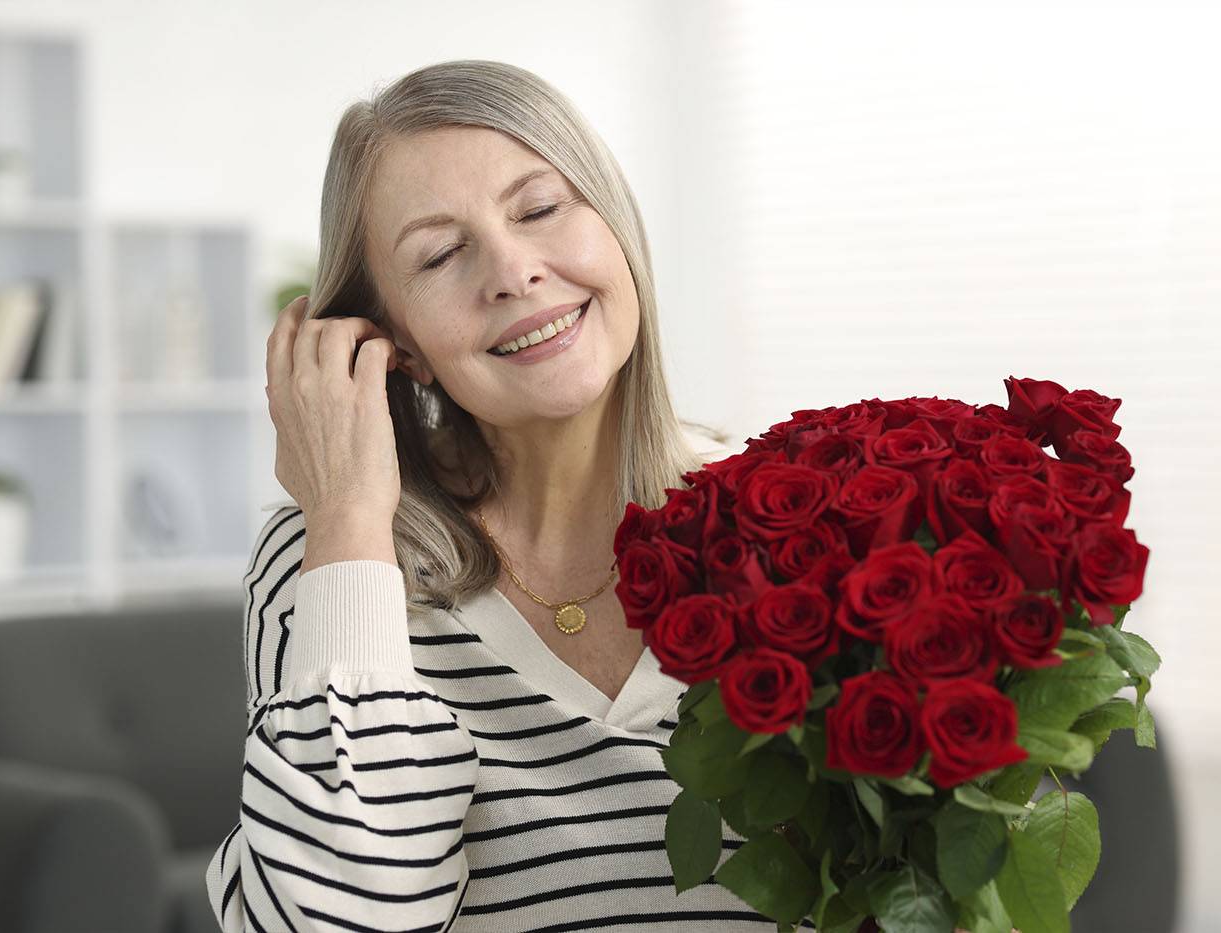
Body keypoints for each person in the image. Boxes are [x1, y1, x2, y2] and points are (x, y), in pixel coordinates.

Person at [202, 58, 829, 932]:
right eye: (439, 254)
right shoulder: (327, 558)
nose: (512, 270)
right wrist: (347, 516)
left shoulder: (808, 522)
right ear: (397, 345)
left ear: (615, 226)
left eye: (538, 209)